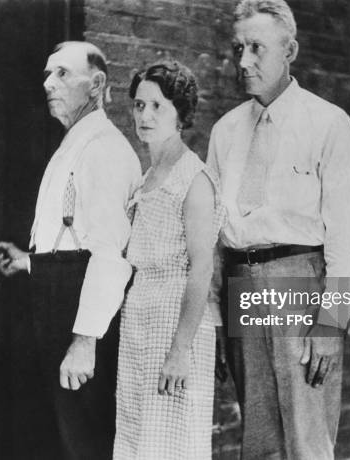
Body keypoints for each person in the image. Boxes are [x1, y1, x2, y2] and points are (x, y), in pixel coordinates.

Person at [207, 0, 350, 458]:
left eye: (256, 48)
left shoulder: (328, 123)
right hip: (241, 280)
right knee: (257, 439)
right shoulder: (225, 131)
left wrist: (332, 325)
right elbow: (216, 234)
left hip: (299, 282)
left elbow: (344, 241)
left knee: (306, 437)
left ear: (290, 49)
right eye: (238, 48)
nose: (243, 61)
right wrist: (214, 320)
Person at [0, 41, 141, 459]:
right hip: (59, 295)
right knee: (58, 435)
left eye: (61, 73)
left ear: (96, 85)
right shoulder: (75, 143)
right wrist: (28, 261)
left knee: (82, 439)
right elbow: (70, 239)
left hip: (80, 311)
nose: (48, 83)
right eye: (46, 74)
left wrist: (85, 341)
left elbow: (109, 256)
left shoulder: (105, 149)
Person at [113, 61, 224, 460]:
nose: (145, 115)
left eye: (157, 106)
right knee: (135, 437)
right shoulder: (147, 177)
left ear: (180, 112)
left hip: (176, 322)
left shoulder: (194, 179)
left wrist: (180, 350)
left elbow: (202, 269)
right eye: (139, 106)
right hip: (140, 315)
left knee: (172, 443)